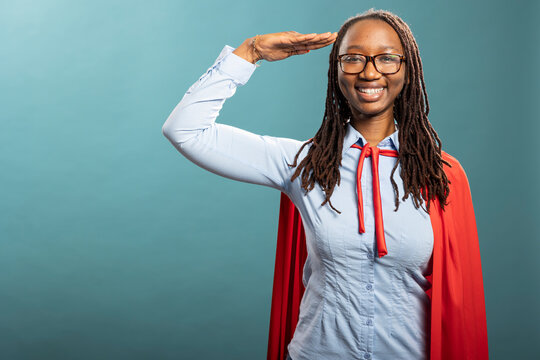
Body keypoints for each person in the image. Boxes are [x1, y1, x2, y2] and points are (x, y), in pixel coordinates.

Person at [162, 8, 488, 360]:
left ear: (408, 72)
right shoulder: (304, 163)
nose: (370, 71)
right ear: (336, 72)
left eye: (387, 59)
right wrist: (250, 52)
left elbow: (461, 300)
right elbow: (184, 130)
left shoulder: (440, 174)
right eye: (353, 59)